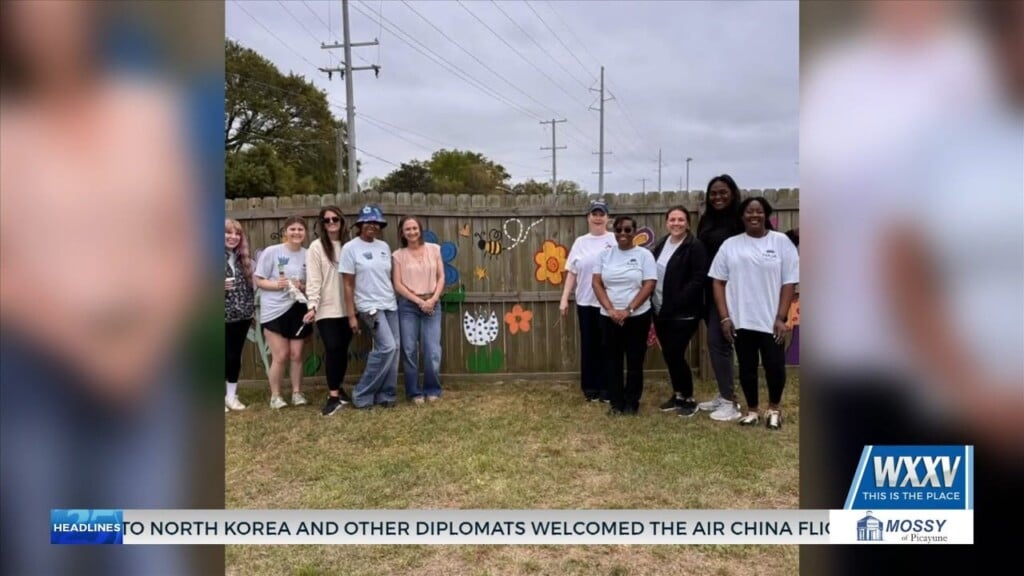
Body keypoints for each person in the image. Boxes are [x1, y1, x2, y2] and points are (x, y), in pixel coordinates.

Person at [709, 197, 799, 429]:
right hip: (741, 319)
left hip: (771, 321)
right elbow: (718, 282)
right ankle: (752, 410)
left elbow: (789, 282)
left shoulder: (781, 242)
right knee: (747, 367)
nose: (754, 215)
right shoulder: (731, 245)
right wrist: (725, 317)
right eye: (749, 212)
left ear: (766, 214)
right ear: (742, 216)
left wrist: (781, 317)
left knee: (775, 366)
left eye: (759, 212)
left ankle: (774, 408)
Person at [592, 216, 657, 415]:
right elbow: (596, 283)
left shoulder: (644, 255)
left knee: (635, 361)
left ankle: (631, 403)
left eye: (627, 230)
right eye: (619, 230)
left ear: (634, 232)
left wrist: (629, 310)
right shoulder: (604, 256)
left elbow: (649, 283)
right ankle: (616, 403)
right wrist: (611, 309)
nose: (623, 234)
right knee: (613, 361)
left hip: (637, 316)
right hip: (609, 316)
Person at [694, 175, 745, 421]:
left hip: (735, 291)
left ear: (733, 193)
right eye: (713, 193)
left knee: (719, 342)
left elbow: (767, 238)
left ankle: (731, 403)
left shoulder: (742, 219)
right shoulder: (706, 220)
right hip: (709, 289)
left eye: (723, 192)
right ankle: (725, 394)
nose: (718, 197)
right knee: (719, 345)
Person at [340, 204, 400, 409]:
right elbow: (347, 284)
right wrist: (351, 316)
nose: (371, 226)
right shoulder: (350, 248)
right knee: (387, 347)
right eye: (367, 222)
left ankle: (386, 394)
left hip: (390, 304)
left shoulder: (383, 247)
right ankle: (362, 393)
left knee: (395, 349)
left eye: (375, 222)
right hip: (369, 307)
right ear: (360, 224)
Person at [651, 206, 708, 417]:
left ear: (688, 223)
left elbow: (699, 278)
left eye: (681, 220)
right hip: (660, 309)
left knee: (675, 352)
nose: (676, 223)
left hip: (684, 312)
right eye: (672, 219)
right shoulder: (662, 244)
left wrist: (679, 300)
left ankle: (689, 398)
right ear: (667, 222)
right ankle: (677, 395)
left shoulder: (695, 246)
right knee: (669, 354)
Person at [559, 199, 616, 402]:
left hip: (609, 304)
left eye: (602, 214)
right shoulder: (580, 242)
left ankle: (607, 388)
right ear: (588, 217)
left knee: (608, 346)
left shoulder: (615, 239)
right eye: (594, 214)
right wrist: (564, 298)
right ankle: (590, 388)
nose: (598, 217)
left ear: (607, 218)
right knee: (589, 346)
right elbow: (572, 272)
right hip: (585, 303)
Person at [253, 216, 311, 409]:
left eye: (300, 229)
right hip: (274, 310)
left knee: (296, 354)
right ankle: (276, 396)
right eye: (292, 229)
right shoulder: (272, 252)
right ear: (285, 232)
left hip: (298, 309)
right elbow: (259, 280)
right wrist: (277, 284)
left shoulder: (308, 254)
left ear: (305, 233)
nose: (296, 233)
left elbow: (310, 284)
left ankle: (297, 393)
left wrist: (301, 285)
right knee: (281, 355)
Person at [303, 206, 354, 417]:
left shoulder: (350, 246)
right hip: (326, 308)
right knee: (332, 348)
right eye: (327, 220)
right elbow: (313, 280)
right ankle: (333, 396)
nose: (331, 223)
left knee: (342, 349)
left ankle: (339, 388)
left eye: (335, 219)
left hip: (350, 307)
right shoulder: (316, 247)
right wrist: (312, 306)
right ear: (322, 224)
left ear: (342, 221)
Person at [392, 215, 445, 404]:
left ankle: (432, 388)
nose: (412, 232)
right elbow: (397, 284)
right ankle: (413, 392)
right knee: (408, 349)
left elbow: (441, 278)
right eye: (408, 229)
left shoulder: (434, 249)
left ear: (420, 230)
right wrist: (418, 301)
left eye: (415, 228)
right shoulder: (398, 256)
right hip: (408, 307)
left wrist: (432, 299)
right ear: (402, 233)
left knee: (432, 350)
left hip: (432, 304)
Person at [225, 219, 255, 413]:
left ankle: (231, 396)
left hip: (242, 315)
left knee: (234, 356)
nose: (233, 237)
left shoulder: (243, 259)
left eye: (237, 234)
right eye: (228, 233)